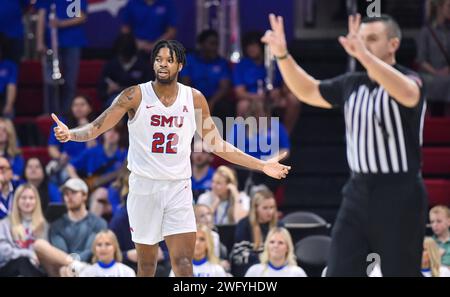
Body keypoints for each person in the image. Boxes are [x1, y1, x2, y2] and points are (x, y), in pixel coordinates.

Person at [51, 39, 290, 277]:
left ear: (180, 65)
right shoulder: (135, 95)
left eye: (169, 60)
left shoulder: (194, 98)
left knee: (184, 262)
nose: (163, 64)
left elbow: (217, 144)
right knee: (147, 265)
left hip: (178, 187)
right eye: (158, 59)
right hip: (144, 187)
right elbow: (97, 126)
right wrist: (70, 134)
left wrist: (262, 165)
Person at [262, 13, 428, 276]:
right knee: (340, 270)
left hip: (401, 192)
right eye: (360, 40)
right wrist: (283, 55)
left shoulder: (409, 79)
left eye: (372, 39)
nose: (363, 45)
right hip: (358, 191)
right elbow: (307, 91)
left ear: (393, 44)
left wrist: (364, 56)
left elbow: (408, 94)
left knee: (401, 272)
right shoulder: (352, 84)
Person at [0, 184, 85, 277]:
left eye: (31, 198)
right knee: (23, 261)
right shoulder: (5, 223)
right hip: (10, 267)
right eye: (23, 198)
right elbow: (2, 251)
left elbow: (47, 252)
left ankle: (78, 266)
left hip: (37, 268)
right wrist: (28, 253)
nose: (27, 201)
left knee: (63, 269)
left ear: (37, 201)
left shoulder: (43, 225)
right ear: (17, 201)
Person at [35, 0, 89, 113]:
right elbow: (41, 15)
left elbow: (82, 16)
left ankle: (68, 114)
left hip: (73, 41)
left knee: (70, 81)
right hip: (51, 42)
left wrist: (60, 23)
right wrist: (39, 41)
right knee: (50, 81)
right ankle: (50, 114)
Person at [49, 178, 107, 265]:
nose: (69, 197)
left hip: (90, 268)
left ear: (85, 195)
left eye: (74, 192)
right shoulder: (56, 225)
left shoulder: (98, 223)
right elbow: (61, 253)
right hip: (64, 269)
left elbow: (90, 251)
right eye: (66, 193)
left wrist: (74, 264)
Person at [180, 29, 233, 120]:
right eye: (211, 44)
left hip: (215, 99)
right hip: (194, 97)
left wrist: (212, 102)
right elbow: (185, 83)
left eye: (216, 44)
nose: (215, 47)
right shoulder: (190, 60)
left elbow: (224, 87)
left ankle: (222, 134)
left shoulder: (222, 63)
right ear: (201, 44)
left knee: (225, 107)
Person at [47, 94, 98, 186]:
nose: (78, 108)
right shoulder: (62, 123)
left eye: (82, 105)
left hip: (87, 165)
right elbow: (52, 148)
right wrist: (60, 156)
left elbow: (93, 149)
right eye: (75, 105)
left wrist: (87, 128)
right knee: (61, 174)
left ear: (90, 108)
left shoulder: (96, 124)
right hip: (66, 163)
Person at [230, 188, 281, 277]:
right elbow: (239, 256)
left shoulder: (279, 226)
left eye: (272, 207)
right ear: (255, 208)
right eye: (265, 208)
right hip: (250, 270)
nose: (270, 212)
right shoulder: (244, 225)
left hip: (276, 269)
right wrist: (265, 259)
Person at [98, 33, 153, 108]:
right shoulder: (111, 65)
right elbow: (102, 90)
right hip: (115, 98)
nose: (123, 58)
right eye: (121, 55)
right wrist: (108, 91)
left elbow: (149, 89)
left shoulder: (143, 66)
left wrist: (123, 89)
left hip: (138, 101)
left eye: (126, 55)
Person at [416, 0, 450, 114]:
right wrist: (436, 72)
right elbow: (421, 60)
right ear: (439, 8)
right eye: (449, 6)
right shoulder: (426, 31)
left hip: (447, 73)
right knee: (430, 82)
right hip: (430, 73)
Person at [0, 36, 17, 119]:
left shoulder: (9, 65)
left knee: (9, 112)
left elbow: (11, 86)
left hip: (3, 98)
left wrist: (9, 105)